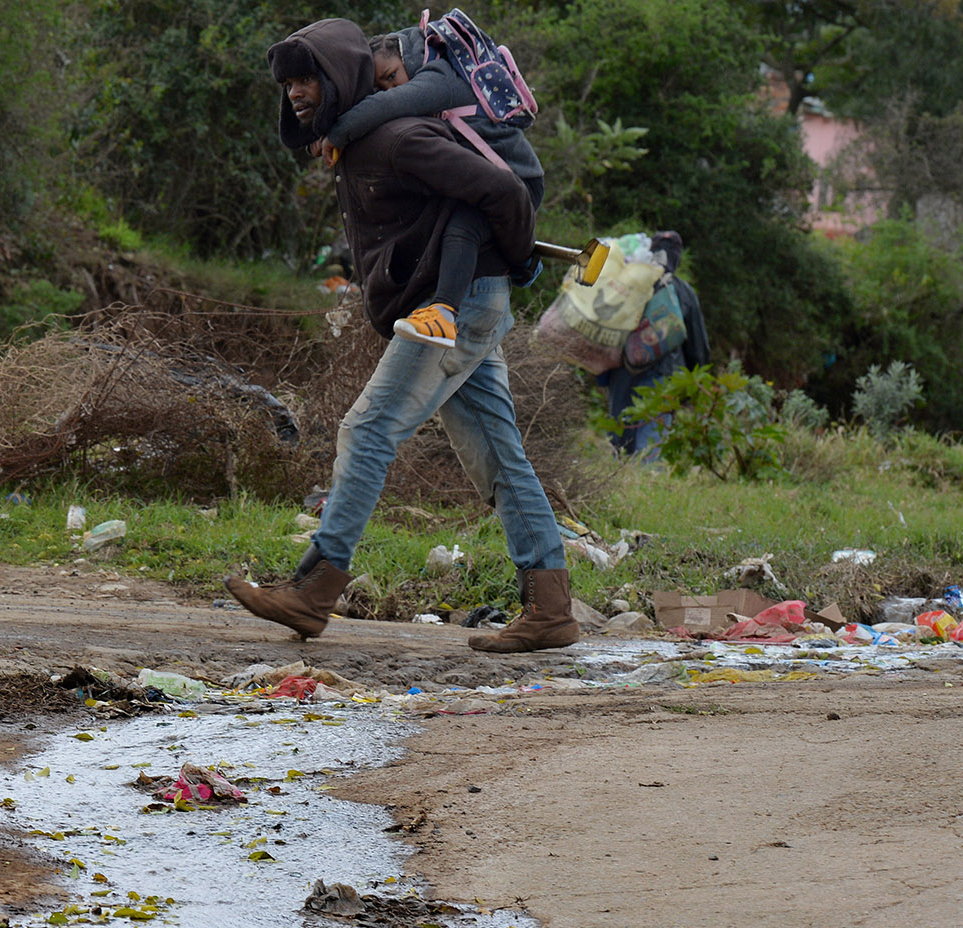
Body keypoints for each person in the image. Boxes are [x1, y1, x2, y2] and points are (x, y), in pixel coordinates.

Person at [238, 17, 575, 654]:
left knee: (367, 429)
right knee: (498, 454)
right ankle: (551, 606)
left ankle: (315, 590)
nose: (296, 93)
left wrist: (518, 255)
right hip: (464, 302)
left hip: (456, 308)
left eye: (307, 77)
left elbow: (501, 189)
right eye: (288, 85)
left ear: (339, 76)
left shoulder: (395, 136)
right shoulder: (365, 139)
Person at [320, 25, 547, 351]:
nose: (389, 87)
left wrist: (335, 133)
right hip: (490, 182)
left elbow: (388, 105)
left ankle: (443, 312)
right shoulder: (430, 78)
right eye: (379, 85)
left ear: (407, 55)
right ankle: (521, 263)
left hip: (521, 181)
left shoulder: (439, 77)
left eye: (390, 75)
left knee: (462, 226)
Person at [599, 231, 713, 455]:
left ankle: (616, 482)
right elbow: (698, 350)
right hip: (663, 376)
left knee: (620, 436)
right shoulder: (683, 292)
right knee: (651, 442)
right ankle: (647, 481)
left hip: (622, 372)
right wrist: (692, 388)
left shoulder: (628, 281)